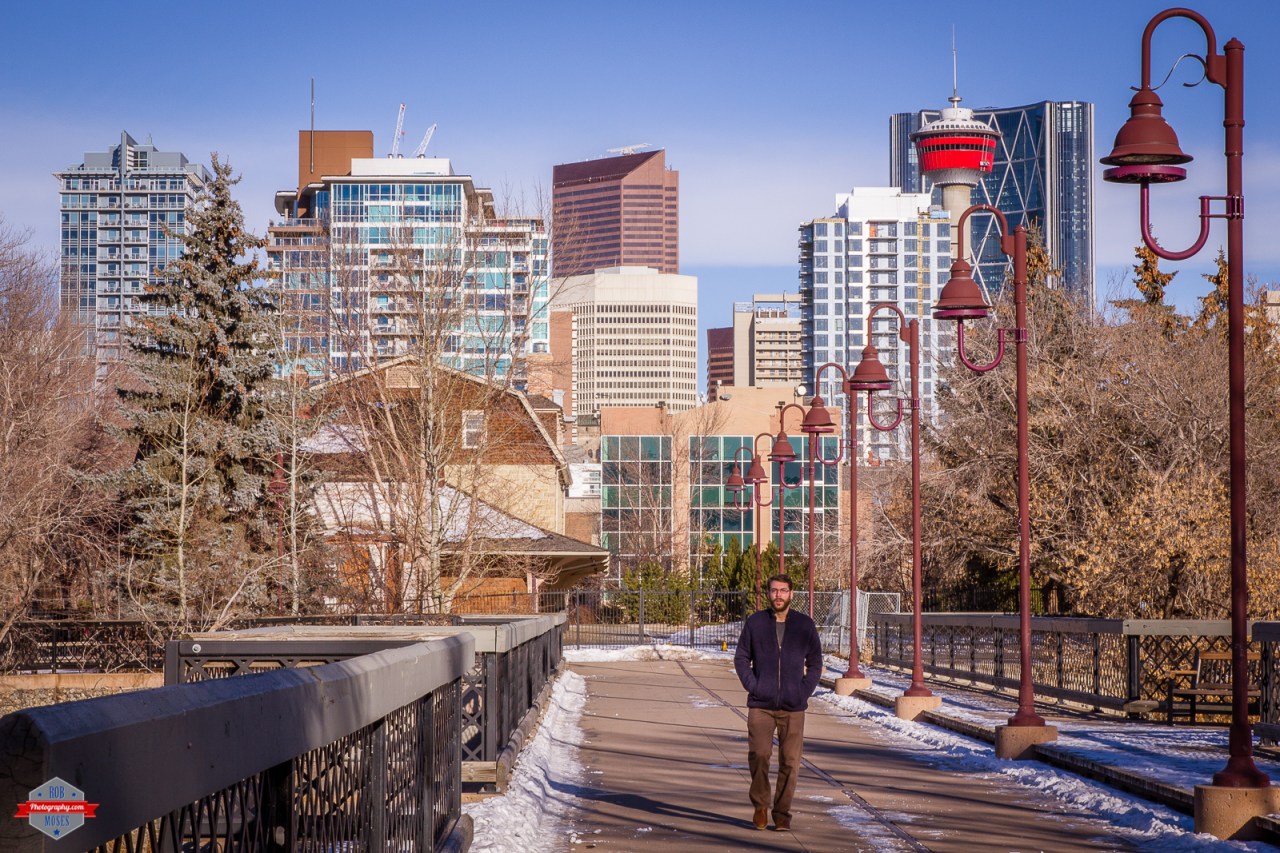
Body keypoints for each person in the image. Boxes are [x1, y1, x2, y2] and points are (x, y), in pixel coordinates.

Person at [733, 573, 823, 832]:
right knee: (759, 755)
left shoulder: (804, 625)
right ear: (768, 593)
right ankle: (761, 806)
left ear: (791, 594)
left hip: (793, 707)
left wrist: (802, 691)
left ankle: (782, 813)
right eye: (774, 591)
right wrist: (755, 685)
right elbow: (741, 658)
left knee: (790, 762)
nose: (778, 595)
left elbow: (815, 663)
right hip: (761, 704)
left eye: (783, 590)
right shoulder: (756, 623)